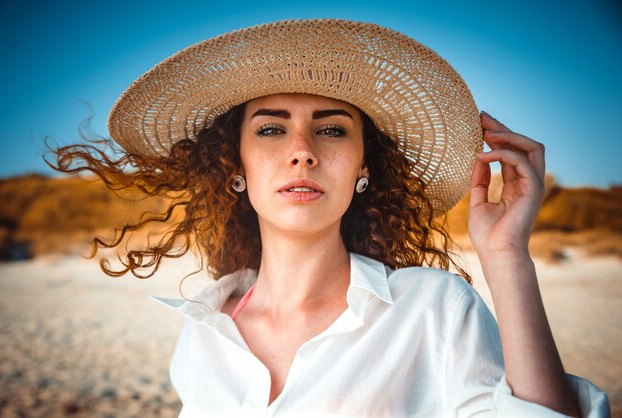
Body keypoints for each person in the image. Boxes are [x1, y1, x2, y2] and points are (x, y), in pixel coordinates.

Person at [50, 19, 609, 417]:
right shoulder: (204, 334)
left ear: (364, 167)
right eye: (270, 129)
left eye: (332, 128)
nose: (302, 150)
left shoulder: (433, 308)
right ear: (235, 166)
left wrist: (507, 256)